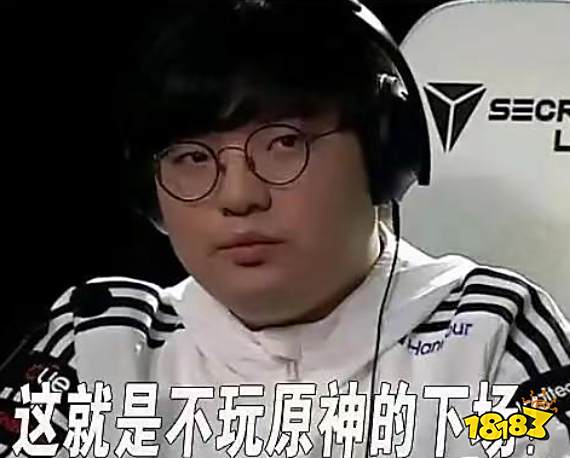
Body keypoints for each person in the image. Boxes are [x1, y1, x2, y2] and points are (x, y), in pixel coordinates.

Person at [1, 1, 568, 457]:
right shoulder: (96, 346)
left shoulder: (493, 336)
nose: (239, 197)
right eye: (192, 158)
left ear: (383, 157)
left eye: (284, 144)